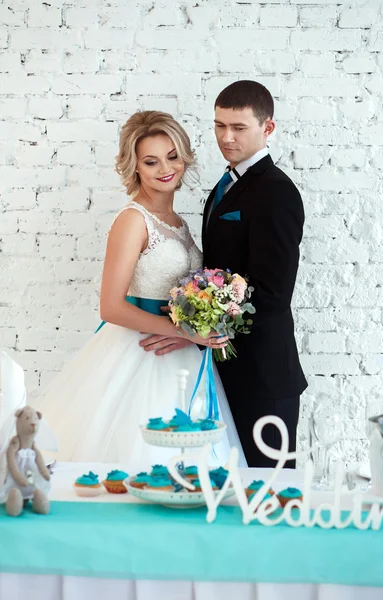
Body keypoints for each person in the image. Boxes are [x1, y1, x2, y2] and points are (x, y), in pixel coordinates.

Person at [34, 110, 246, 470]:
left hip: (182, 353)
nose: (165, 167)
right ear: (135, 167)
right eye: (151, 161)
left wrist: (199, 326)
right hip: (139, 351)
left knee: (190, 455)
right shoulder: (132, 221)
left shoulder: (178, 223)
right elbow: (110, 307)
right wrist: (183, 331)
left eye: (172, 156)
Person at [141, 82, 307, 468]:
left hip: (263, 376)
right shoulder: (228, 183)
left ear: (268, 129)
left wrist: (201, 336)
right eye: (219, 126)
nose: (226, 137)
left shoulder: (276, 192)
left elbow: (272, 294)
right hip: (225, 371)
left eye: (238, 127)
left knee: (269, 495)